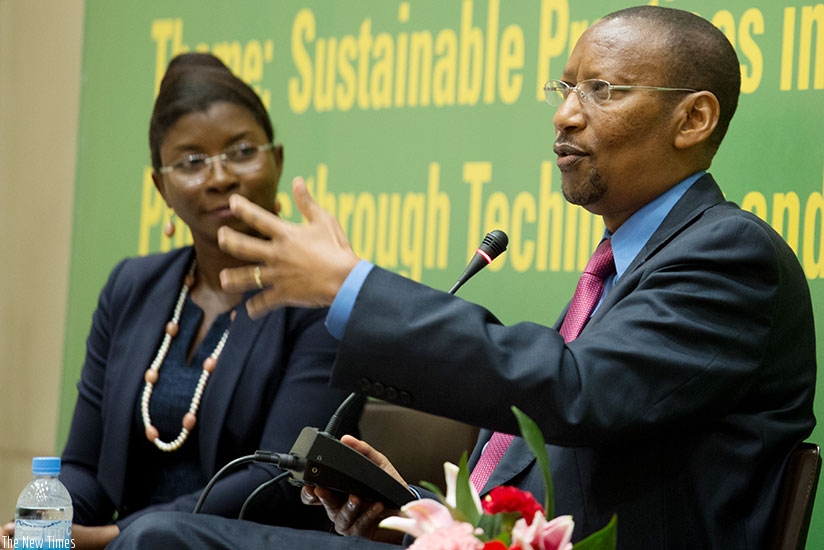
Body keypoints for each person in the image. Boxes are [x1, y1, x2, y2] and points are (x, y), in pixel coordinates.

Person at [107, 6, 816, 550]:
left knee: (159, 540)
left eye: (602, 90)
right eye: (566, 87)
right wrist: (419, 509)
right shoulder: (629, 273)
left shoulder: (728, 256)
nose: (565, 114)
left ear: (693, 118)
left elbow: (575, 392)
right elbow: (561, 465)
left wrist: (352, 286)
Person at [1, 52, 358, 550]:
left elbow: (280, 477)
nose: (219, 177)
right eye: (191, 162)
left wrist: (111, 538)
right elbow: (84, 465)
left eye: (241, 151)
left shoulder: (320, 297)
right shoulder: (131, 288)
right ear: (160, 187)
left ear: (276, 160)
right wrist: (48, 525)